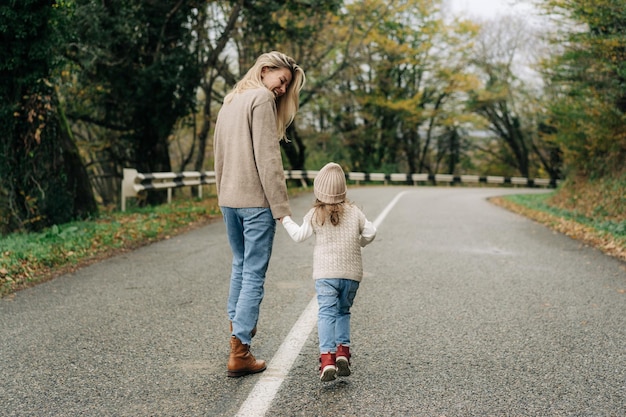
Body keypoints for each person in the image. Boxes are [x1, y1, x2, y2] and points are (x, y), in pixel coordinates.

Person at [213, 51, 306, 378]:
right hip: (255, 203)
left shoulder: (231, 99)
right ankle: (240, 352)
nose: (282, 90)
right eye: (282, 81)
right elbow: (269, 160)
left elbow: (218, 154)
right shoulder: (262, 99)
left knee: (239, 265)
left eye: (286, 86)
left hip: (230, 200)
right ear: (265, 71)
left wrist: (221, 194)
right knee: (252, 272)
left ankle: (235, 340)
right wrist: (282, 211)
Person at [280, 162, 377, 382]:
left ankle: (327, 358)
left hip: (326, 275)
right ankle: (343, 352)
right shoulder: (355, 212)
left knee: (326, 314)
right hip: (352, 275)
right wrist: (359, 242)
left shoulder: (315, 213)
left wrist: (284, 219)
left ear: (318, 190)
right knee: (343, 312)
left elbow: (298, 236)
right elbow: (371, 232)